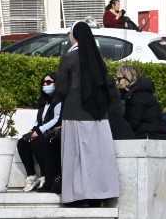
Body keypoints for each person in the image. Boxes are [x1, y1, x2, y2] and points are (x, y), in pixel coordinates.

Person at [55, 21, 119, 207]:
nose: (68, 37)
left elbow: (61, 88)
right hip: (98, 115)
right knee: (97, 157)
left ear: (74, 35)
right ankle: (99, 195)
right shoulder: (97, 57)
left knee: (75, 157)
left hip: (75, 112)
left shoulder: (69, 57)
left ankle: (78, 197)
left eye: (69, 33)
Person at [18, 72, 62, 192]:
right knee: (22, 142)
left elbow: (56, 119)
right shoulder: (44, 102)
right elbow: (39, 120)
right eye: (44, 82)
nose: (45, 85)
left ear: (56, 84)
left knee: (38, 141)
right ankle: (31, 175)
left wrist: (38, 131)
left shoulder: (59, 101)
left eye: (48, 82)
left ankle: (45, 176)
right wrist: (32, 130)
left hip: (52, 132)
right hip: (40, 131)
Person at [116, 64, 166, 139]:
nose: (118, 82)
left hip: (150, 136)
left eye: (119, 79)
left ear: (128, 78)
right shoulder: (139, 92)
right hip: (154, 134)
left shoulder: (137, 96)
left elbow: (133, 123)